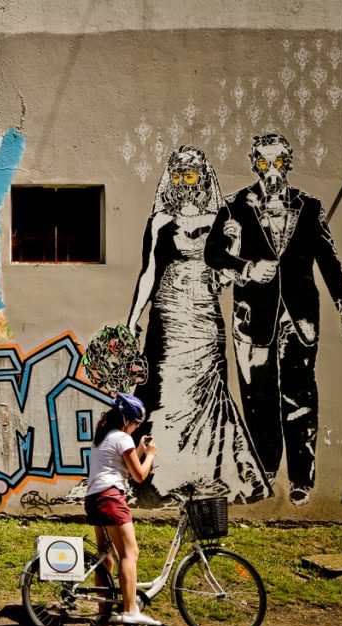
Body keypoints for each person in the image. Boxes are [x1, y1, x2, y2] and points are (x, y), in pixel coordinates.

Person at [204, 133, 342, 505]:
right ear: (254, 163)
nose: (272, 170)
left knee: (301, 395)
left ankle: (302, 477)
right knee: (257, 397)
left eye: (279, 162)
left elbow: (329, 260)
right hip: (252, 319)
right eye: (264, 162)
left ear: (288, 164)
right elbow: (212, 253)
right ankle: (266, 467)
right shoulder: (235, 206)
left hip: (299, 318)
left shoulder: (310, 207)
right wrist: (246, 268)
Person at [127, 145, 268, 504]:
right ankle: (162, 478)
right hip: (169, 314)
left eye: (190, 175)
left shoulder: (220, 218)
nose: (184, 183)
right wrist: (132, 321)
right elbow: (148, 273)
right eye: (178, 176)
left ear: (203, 179)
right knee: (166, 391)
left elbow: (221, 269)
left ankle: (204, 475)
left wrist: (238, 253)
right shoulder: (160, 221)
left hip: (205, 316)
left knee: (205, 392)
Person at [85, 393, 161, 626]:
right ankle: (129, 610)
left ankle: (104, 611)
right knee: (130, 553)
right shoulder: (122, 438)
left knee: (105, 556)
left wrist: (137, 449)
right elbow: (139, 475)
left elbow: (121, 465)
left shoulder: (103, 438)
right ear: (128, 420)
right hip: (111, 498)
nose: (137, 427)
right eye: (136, 423)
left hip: (94, 497)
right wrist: (149, 455)